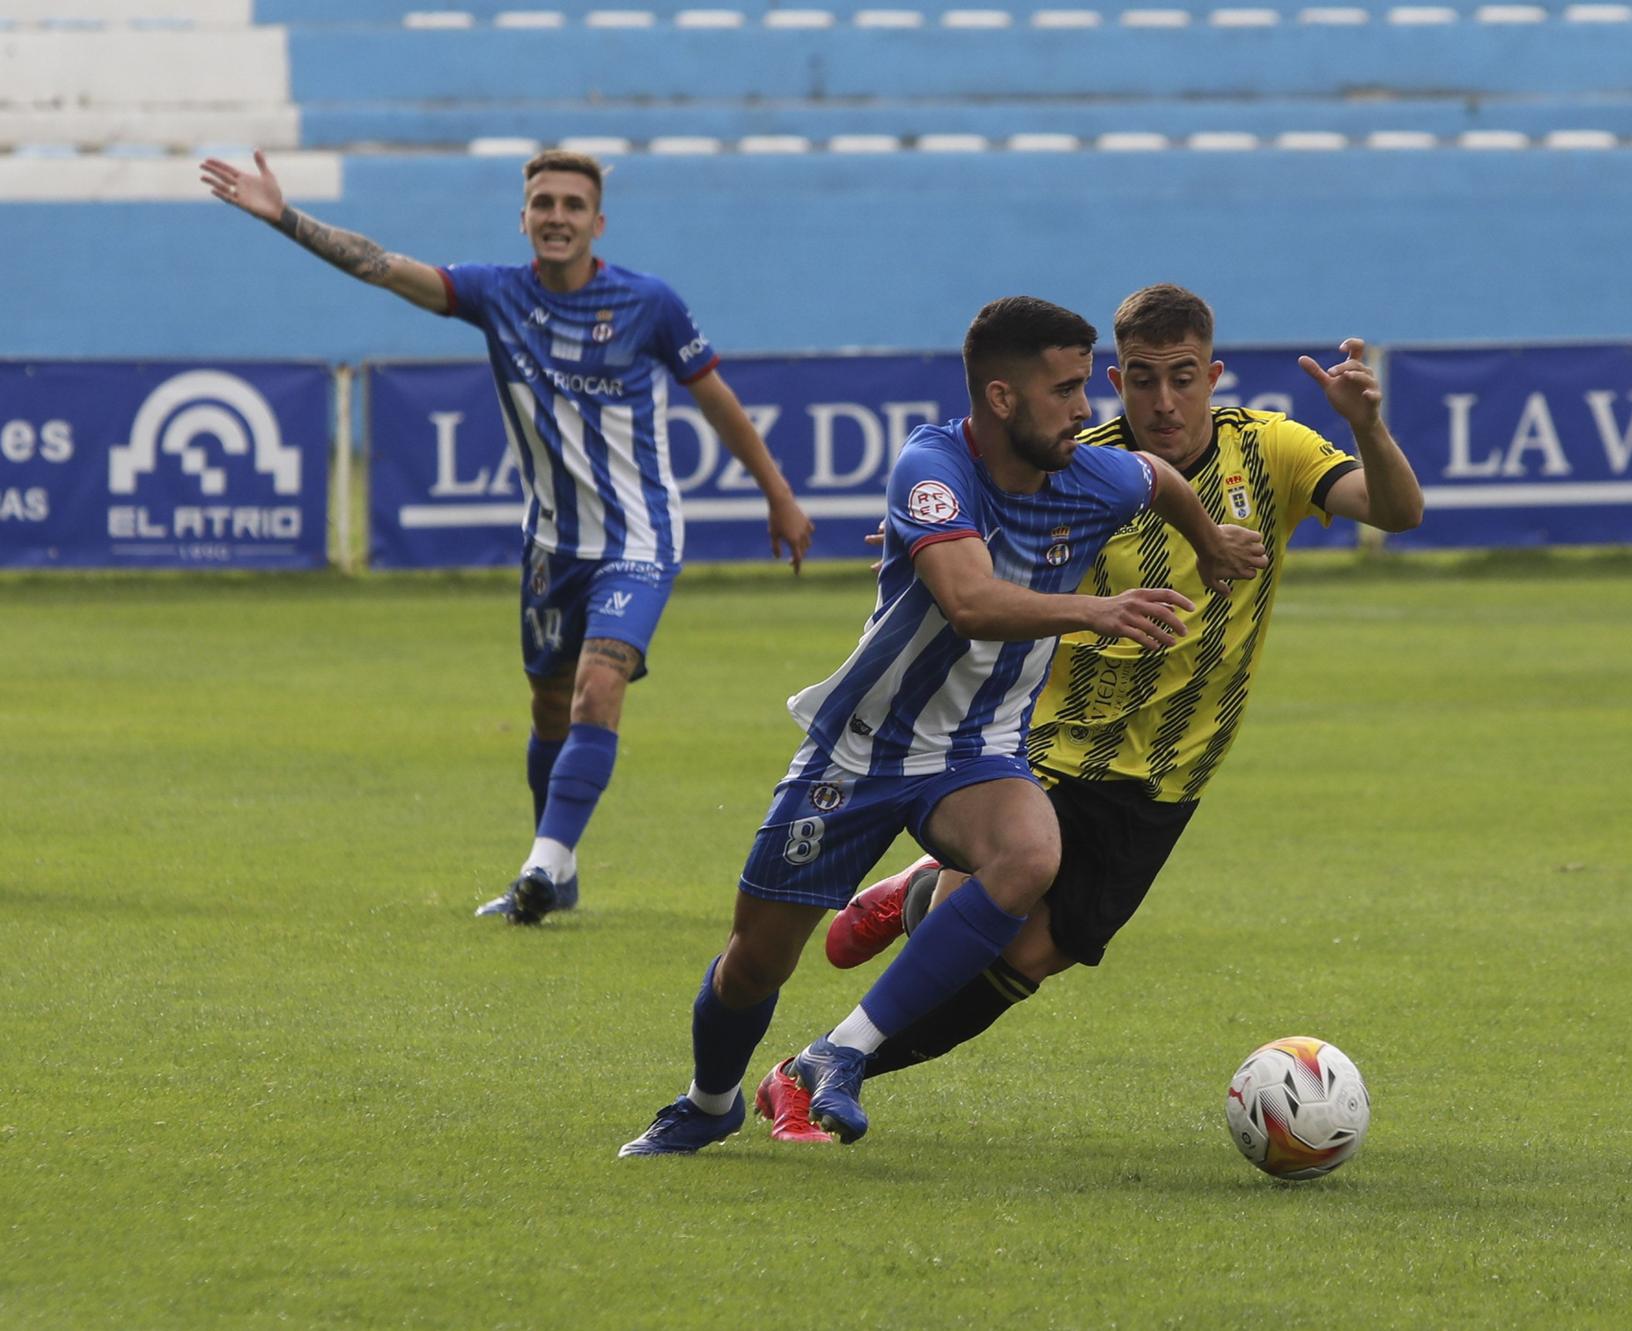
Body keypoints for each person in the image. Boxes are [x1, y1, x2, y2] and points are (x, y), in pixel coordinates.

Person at [751, 284, 1421, 1142]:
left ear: (1213, 374)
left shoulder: (1272, 450)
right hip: (1042, 745)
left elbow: (1399, 512)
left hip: (1171, 771)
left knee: (1029, 960)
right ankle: (823, 1063)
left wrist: (1367, 423)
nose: (1164, 400)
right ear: (1115, 377)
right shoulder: (1074, 466)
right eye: (1142, 380)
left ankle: (867, 972)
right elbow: (967, 553)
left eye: (1183, 378)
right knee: (992, 907)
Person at [617, 296, 1269, 1155]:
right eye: (1066, 390)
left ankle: (841, 1053)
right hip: (862, 748)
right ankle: (709, 1101)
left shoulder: (1096, 474)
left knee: (1031, 852)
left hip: (975, 750)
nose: (1086, 411)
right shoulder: (932, 467)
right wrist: (1096, 608)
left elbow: (1161, 481)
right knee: (755, 961)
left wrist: (1213, 544)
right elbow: (967, 602)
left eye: (1085, 388)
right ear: (1001, 399)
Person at [200, 149, 814, 923]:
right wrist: (284, 217)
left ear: (598, 221)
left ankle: (541, 864)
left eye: (572, 204)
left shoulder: (649, 304)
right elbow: (383, 266)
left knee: (600, 687)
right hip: (551, 547)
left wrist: (779, 496)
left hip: (639, 538)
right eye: (542, 202)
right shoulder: (497, 295)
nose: (557, 215)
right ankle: (559, 871)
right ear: (523, 217)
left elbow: (718, 400)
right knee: (551, 709)